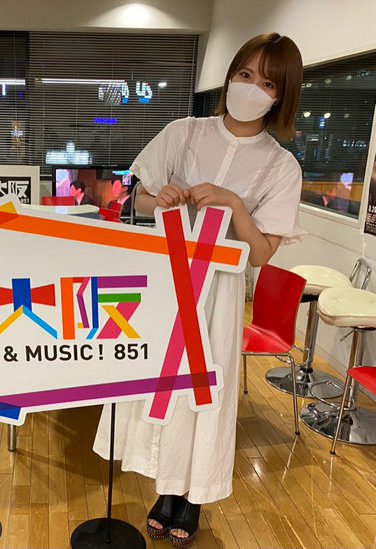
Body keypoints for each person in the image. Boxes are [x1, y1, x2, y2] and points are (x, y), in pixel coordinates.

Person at [93, 32, 304, 547]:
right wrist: (159, 198)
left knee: (205, 391)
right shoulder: (184, 132)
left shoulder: (281, 166)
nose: (251, 88)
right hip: (166, 283)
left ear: (281, 95)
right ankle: (165, 487)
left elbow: (262, 252)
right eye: (245, 74)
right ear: (230, 77)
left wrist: (234, 203)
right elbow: (137, 203)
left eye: (267, 83)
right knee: (157, 384)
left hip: (220, 296)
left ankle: (194, 496)